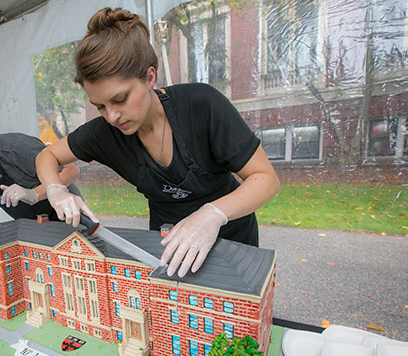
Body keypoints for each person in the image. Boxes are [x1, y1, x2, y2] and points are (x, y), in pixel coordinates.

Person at [35, 7, 280, 278]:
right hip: (170, 246)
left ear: (150, 77)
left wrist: (212, 215)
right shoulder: (104, 133)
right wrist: (56, 188)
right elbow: (46, 156)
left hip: (234, 239)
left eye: (120, 99)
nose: (112, 116)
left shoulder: (202, 105)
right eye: (100, 106)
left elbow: (266, 179)